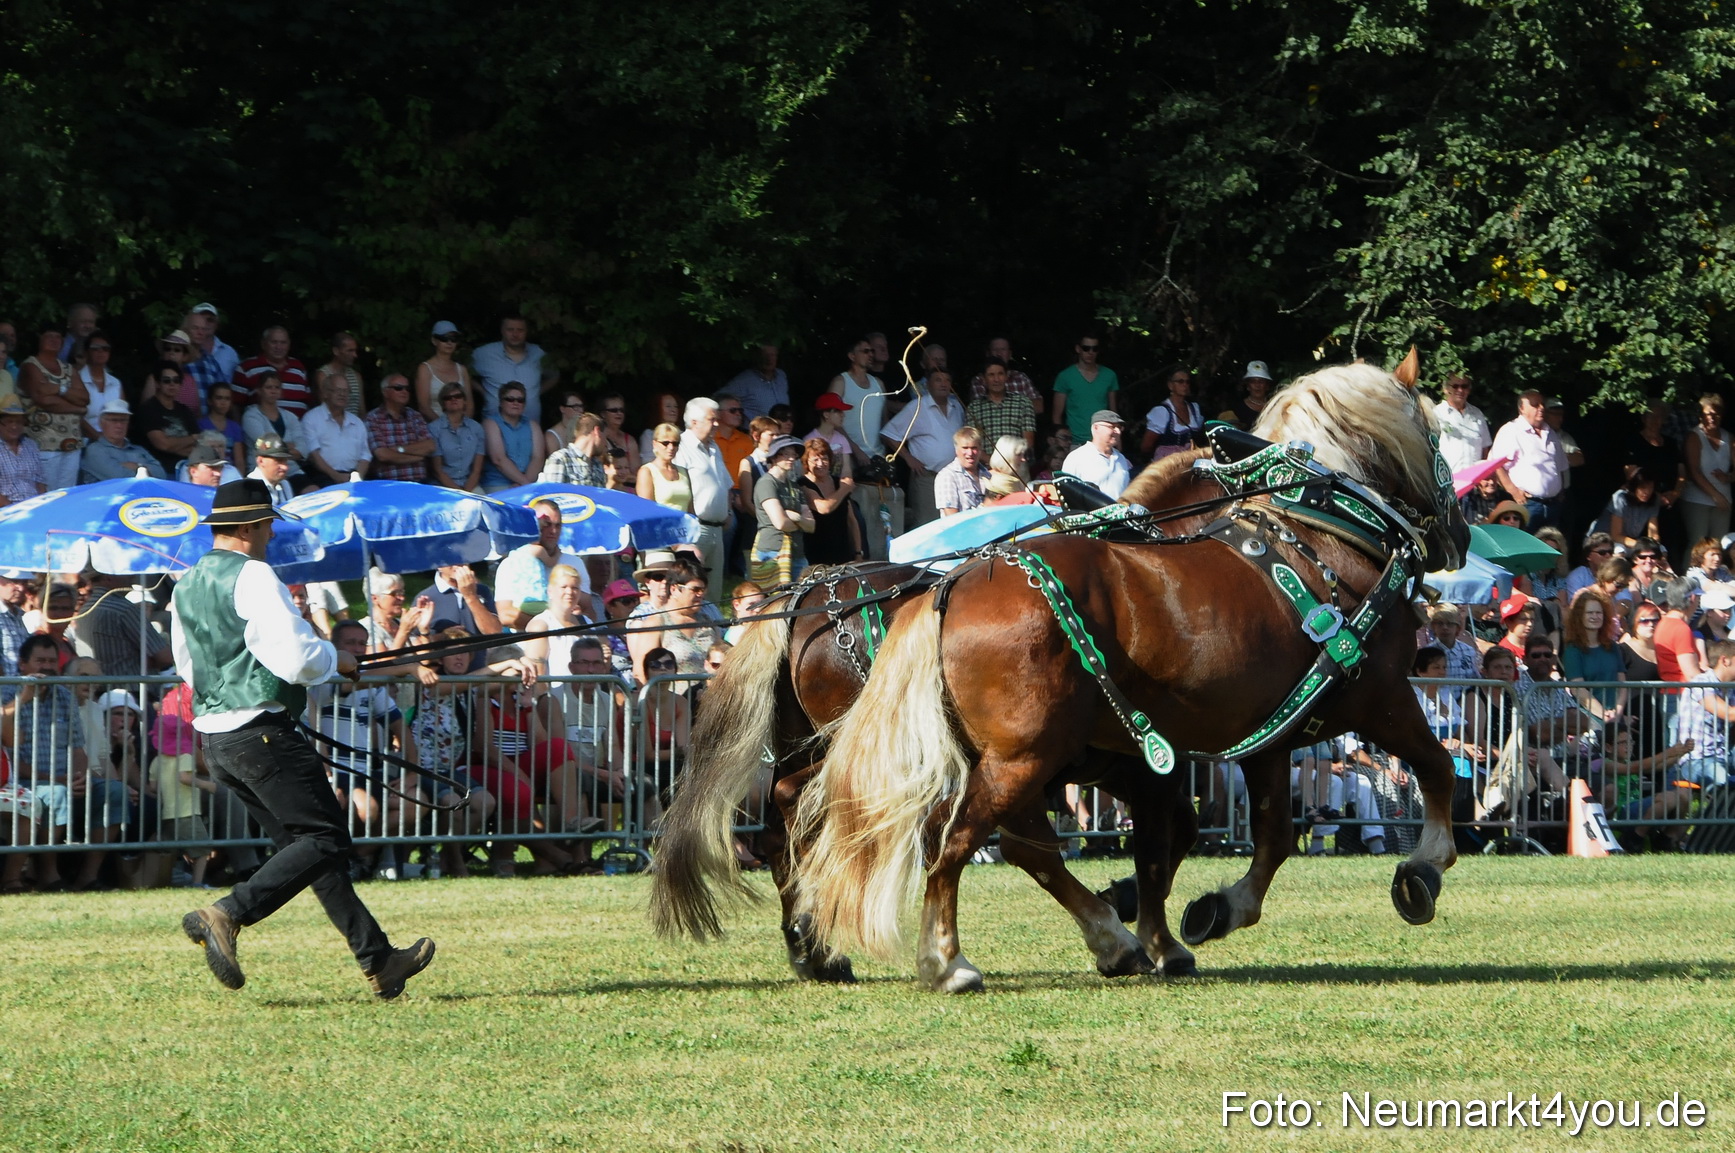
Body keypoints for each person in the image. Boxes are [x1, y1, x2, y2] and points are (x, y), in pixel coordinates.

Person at [171, 480, 434, 997]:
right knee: (325, 839)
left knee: (310, 851)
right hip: (260, 733)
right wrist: (338, 660)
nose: (271, 531)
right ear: (247, 527)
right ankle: (226, 913)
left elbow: (187, 662)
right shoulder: (254, 574)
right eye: (266, 522)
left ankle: (380, 960)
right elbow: (296, 657)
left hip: (219, 740)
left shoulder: (188, 581)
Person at [0, 634, 88, 893]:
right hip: (20, 780)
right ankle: (47, 874)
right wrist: (23, 698)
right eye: (40, 660)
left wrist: (81, 777)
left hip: (62, 778)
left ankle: (88, 877)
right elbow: (9, 747)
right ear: (23, 664)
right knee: (55, 794)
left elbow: (78, 746)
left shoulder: (64, 695)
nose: (47, 667)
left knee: (112, 793)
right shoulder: (6, 691)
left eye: (52, 661)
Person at [828, 337, 903, 560]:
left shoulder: (878, 384)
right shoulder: (841, 382)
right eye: (865, 351)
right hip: (848, 456)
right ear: (852, 356)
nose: (870, 355)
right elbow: (832, 419)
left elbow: (883, 421)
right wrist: (855, 450)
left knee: (883, 512)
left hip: (877, 456)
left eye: (872, 351)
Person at [879, 367, 965, 527]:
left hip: (955, 478)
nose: (943, 384)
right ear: (929, 385)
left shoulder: (956, 407)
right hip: (928, 478)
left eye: (947, 380)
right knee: (928, 525)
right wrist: (908, 458)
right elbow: (889, 433)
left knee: (953, 525)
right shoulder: (917, 406)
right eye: (938, 380)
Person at [494, 499, 599, 626]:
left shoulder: (574, 563)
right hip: (528, 642)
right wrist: (551, 625)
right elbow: (506, 615)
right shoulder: (510, 565)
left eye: (558, 525)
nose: (553, 531)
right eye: (547, 525)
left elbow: (589, 612)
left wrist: (575, 617)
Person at [675, 397, 734, 602]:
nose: (717, 424)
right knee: (691, 589)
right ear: (694, 422)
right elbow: (679, 488)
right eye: (712, 419)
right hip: (696, 528)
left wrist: (727, 511)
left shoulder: (714, 447)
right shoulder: (681, 447)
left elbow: (724, 483)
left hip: (717, 529)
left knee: (714, 591)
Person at [18, 329, 87, 489]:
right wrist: (77, 408)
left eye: (58, 336)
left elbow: (85, 398)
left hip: (72, 442)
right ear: (39, 339)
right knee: (45, 496)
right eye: (49, 336)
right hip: (44, 443)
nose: (54, 339)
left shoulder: (69, 369)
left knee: (66, 495)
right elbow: (43, 399)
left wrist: (59, 389)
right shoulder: (30, 366)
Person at [1491, 389, 1569, 529]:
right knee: (1525, 546)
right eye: (1535, 404)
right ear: (1522, 408)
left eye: (1542, 404)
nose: (1541, 408)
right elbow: (1497, 464)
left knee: (1549, 547)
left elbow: (1560, 465)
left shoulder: (1550, 432)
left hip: (1553, 505)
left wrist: (1560, 491)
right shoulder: (1511, 430)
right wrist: (1513, 490)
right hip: (1527, 504)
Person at [747, 437, 814, 589]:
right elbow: (780, 523)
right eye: (785, 454)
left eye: (793, 454)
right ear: (774, 456)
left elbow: (811, 525)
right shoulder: (766, 483)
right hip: (773, 552)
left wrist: (795, 516)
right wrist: (800, 521)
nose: (791, 458)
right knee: (776, 602)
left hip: (798, 553)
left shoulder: (794, 486)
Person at [1675, 638, 1735, 787]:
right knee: (1723, 781)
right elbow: (1729, 714)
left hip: (1725, 756)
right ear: (1725, 661)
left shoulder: (1731, 688)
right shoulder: (1701, 682)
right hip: (1697, 760)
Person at [1560, 589, 1627, 723]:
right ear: (1580, 616)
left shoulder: (1612, 646)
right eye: (1590, 613)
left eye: (1598, 613)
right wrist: (1604, 715)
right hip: (1588, 720)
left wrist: (1618, 713)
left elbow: (1622, 684)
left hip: (1615, 717)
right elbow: (1578, 690)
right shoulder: (1572, 650)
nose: (1595, 616)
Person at [472, 315, 546, 424]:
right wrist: (484, 392)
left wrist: (535, 392)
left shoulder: (538, 354)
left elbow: (554, 375)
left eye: (520, 330)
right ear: (502, 331)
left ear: (527, 332)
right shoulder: (484, 354)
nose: (515, 334)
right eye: (510, 330)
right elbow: (462, 373)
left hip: (531, 427)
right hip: (494, 427)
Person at [301, 373, 372, 485]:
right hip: (323, 477)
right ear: (325, 393)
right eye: (338, 390)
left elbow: (365, 455)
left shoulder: (357, 422)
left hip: (354, 476)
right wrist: (336, 476)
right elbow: (313, 455)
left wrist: (357, 477)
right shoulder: (311, 418)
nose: (342, 394)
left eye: (346, 391)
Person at [1681, 392, 1732, 547]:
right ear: (1701, 415)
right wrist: (1715, 496)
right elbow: (1694, 471)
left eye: (1716, 414)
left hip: (1724, 499)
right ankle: (1689, 571)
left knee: (1719, 544)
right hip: (1697, 498)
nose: (1712, 418)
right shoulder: (1694, 436)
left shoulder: (1729, 437)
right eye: (1708, 414)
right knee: (1698, 543)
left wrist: (1728, 477)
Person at [239, 371, 311, 481]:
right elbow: (267, 446)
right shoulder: (250, 416)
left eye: (277, 387)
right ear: (259, 390)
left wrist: (279, 450)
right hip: (263, 473)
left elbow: (303, 449)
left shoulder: (290, 416)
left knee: (312, 490)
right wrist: (290, 447)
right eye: (268, 387)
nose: (273, 391)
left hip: (292, 471)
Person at [799, 437, 860, 564]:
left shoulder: (839, 482)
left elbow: (852, 521)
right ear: (806, 462)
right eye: (815, 459)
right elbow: (824, 508)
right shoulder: (803, 484)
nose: (821, 464)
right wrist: (845, 489)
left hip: (843, 553)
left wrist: (858, 552)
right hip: (816, 556)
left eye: (825, 458)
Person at [80, 399, 167, 483]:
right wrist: (146, 470)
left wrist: (137, 467)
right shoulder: (95, 450)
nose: (119, 425)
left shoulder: (138, 449)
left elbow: (162, 475)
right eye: (114, 420)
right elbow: (120, 478)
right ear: (101, 423)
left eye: (123, 420)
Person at [479, 382, 544, 493]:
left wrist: (524, 484)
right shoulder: (490, 423)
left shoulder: (533, 425)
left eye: (520, 400)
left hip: (528, 483)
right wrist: (525, 484)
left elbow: (538, 458)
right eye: (510, 399)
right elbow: (498, 459)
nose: (515, 403)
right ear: (501, 402)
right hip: (498, 484)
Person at [232, 325, 311, 412]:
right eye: (274, 342)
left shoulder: (299, 367)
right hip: (259, 424)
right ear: (263, 344)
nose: (278, 347)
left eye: (283, 342)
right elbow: (235, 405)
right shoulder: (246, 367)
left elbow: (308, 401)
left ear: (289, 345)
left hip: (297, 424)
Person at [965, 359, 1036, 454]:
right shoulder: (974, 408)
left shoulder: (1023, 403)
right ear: (983, 379)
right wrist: (993, 463)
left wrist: (1009, 462)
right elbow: (972, 444)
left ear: (1006, 376)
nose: (996, 379)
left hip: (1017, 464)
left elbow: (1028, 442)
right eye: (991, 375)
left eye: (1000, 374)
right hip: (986, 467)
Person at [429, 381, 487, 491]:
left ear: (465, 401)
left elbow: (477, 470)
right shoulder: (434, 428)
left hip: (470, 484)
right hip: (442, 486)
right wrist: (459, 492)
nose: (453, 399)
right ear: (443, 403)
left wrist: (467, 491)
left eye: (458, 396)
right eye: (448, 397)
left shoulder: (476, 428)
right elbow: (437, 470)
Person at [1061, 411, 1132, 498]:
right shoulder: (1077, 458)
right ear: (1096, 428)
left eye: (1119, 427)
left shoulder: (1121, 459)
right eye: (1112, 427)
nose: (1118, 431)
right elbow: (1066, 493)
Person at [968, 336, 1043, 416]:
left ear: (1010, 354)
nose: (999, 353)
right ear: (988, 353)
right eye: (995, 350)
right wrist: (1021, 405)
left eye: (1003, 349)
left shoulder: (1021, 378)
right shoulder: (979, 380)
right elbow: (980, 410)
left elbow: (1039, 407)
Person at [183, 304, 241, 409]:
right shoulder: (176, 354)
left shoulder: (224, 355)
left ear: (216, 324)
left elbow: (227, 391)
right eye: (196, 326)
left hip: (209, 420)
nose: (205, 324)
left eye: (210, 320)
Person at [1139, 366, 1203, 460]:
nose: (1185, 385)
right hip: (1167, 463)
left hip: (1190, 461)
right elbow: (1146, 446)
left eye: (1187, 382)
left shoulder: (1194, 409)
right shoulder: (1162, 412)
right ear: (1170, 385)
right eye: (1180, 381)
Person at [1432, 373, 1491, 473]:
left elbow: (1485, 448)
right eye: (1455, 386)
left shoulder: (1477, 414)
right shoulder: (1436, 414)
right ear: (1446, 389)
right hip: (1448, 481)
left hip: (1474, 481)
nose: (1460, 390)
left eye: (1464, 386)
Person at [413, 322, 473, 421]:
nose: (449, 342)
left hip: (463, 429)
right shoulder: (425, 369)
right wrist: (445, 428)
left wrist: (463, 427)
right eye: (444, 338)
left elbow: (469, 405)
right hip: (434, 428)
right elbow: (424, 407)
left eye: (454, 338)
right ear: (434, 340)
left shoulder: (462, 370)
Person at [1596, 469, 1663, 549]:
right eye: (1643, 487)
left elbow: (1653, 533)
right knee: (1620, 550)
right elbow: (1616, 535)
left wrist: (1654, 546)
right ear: (1634, 487)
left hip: (1631, 542)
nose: (1647, 492)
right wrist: (1642, 546)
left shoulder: (1654, 500)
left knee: (1661, 549)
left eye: (1650, 487)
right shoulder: (1620, 497)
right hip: (1604, 542)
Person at [0, 394, 48, 505]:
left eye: (18, 422)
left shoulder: (31, 445)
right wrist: (14, 511)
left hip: (34, 505)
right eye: (9, 422)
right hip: (6, 510)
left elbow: (40, 482)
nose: (14, 426)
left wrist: (44, 505)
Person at [76, 330, 123, 442]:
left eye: (105, 348)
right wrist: (99, 437)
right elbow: (76, 417)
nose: (101, 351)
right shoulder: (77, 380)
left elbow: (123, 415)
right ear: (86, 352)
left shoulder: (116, 383)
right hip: (85, 441)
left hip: (115, 441)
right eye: (95, 348)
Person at [725, 342, 790, 420]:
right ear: (757, 357)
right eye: (764, 355)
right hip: (754, 430)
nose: (769, 359)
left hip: (780, 430)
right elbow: (719, 398)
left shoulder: (781, 376)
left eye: (772, 355)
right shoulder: (745, 380)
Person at [637, 421, 692, 512]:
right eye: (665, 443)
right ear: (655, 444)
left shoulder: (684, 472)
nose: (671, 447)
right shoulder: (647, 471)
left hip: (685, 524)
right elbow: (646, 510)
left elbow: (691, 510)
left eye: (675, 443)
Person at [540, 412, 607, 485]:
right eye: (605, 436)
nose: (605, 443)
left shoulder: (597, 464)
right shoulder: (560, 458)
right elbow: (553, 494)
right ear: (597, 432)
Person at [934, 426, 987, 517]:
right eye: (965, 448)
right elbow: (951, 518)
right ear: (956, 450)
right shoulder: (947, 476)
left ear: (980, 450)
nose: (970, 453)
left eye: (974, 448)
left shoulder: (987, 474)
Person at [197, 382, 248, 471]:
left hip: (230, 472)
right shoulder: (201, 424)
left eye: (227, 399)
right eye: (219, 398)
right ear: (210, 401)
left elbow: (239, 460)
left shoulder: (235, 427)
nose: (223, 402)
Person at [1423, 604, 1482, 679]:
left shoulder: (1468, 651)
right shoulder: (1427, 653)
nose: (1445, 628)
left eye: (1450, 624)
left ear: (1458, 628)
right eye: (1440, 623)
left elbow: (1475, 679)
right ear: (1433, 627)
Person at [314, 331, 364, 418]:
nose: (355, 355)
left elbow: (361, 408)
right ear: (336, 351)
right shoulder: (323, 375)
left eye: (355, 350)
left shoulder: (356, 376)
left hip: (354, 427)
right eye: (350, 351)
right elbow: (324, 409)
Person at [1216, 361, 1275, 431]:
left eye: (1261, 382)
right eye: (1253, 381)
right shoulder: (1237, 408)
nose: (1257, 385)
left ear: (1267, 386)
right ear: (1248, 386)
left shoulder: (1274, 407)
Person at [594, 392, 641, 474]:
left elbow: (636, 473)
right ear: (603, 414)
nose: (619, 413)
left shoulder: (629, 440)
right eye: (613, 410)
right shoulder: (597, 437)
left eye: (621, 410)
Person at [246, 435, 300, 504]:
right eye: (279, 461)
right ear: (261, 461)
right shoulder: (249, 489)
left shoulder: (285, 484)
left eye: (285, 461)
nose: (285, 467)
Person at [638, 391, 684, 462]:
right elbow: (647, 461)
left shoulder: (684, 435)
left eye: (676, 406)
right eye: (668, 406)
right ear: (658, 408)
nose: (673, 410)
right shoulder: (649, 435)